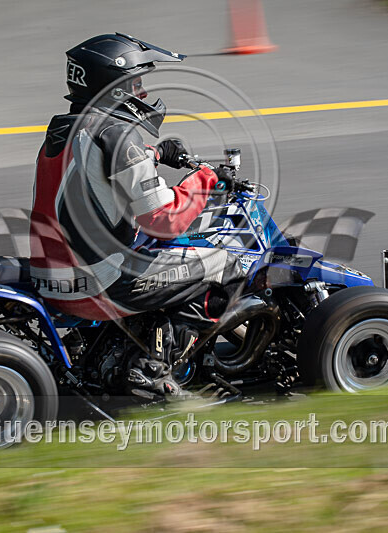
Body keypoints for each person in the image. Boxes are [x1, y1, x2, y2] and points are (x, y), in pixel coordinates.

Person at [29, 33, 244, 397]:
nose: (142, 93)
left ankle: (135, 341)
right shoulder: (117, 135)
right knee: (226, 265)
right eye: (136, 83)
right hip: (99, 284)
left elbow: (98, 170)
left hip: (53, 277)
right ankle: (152, 370)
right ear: (113, 86)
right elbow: (164, 218)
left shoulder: (67, 129)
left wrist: (156, 156)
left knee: (152, 255)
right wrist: (206, 179)